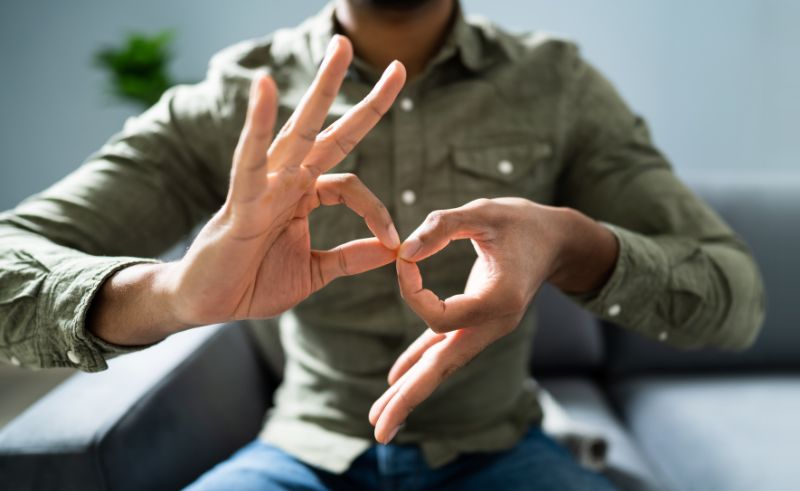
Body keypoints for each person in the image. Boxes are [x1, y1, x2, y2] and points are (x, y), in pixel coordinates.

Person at [0, 0, 764, 489]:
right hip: (303, 450)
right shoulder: (236, 97)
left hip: (503, 448)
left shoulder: (555, 83)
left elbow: (735, 300)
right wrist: (169, 296)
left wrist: (571, 243)